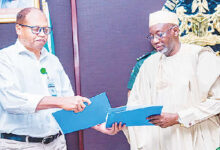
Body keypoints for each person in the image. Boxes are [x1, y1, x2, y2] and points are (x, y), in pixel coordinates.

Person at [0, 7, 123, 150]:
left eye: (46, 30)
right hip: (20, 145)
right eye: (36, 29)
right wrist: (60, 102)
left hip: (57, 143)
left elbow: (69, 101)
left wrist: (98, 124)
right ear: (19, 29)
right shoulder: (4, 59)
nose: (42, 34)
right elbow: (12, 102)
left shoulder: (52, 61)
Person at [123, 10, 220, 150]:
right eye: (151, 36)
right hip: (161, 142)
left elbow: (217, 101)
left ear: (175, 31)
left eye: (159, 34)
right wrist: (122, 122)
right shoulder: (148, 65)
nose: (155, 40)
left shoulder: (200, 57)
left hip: (197, 139)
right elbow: (135, 104)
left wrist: (179, 117)